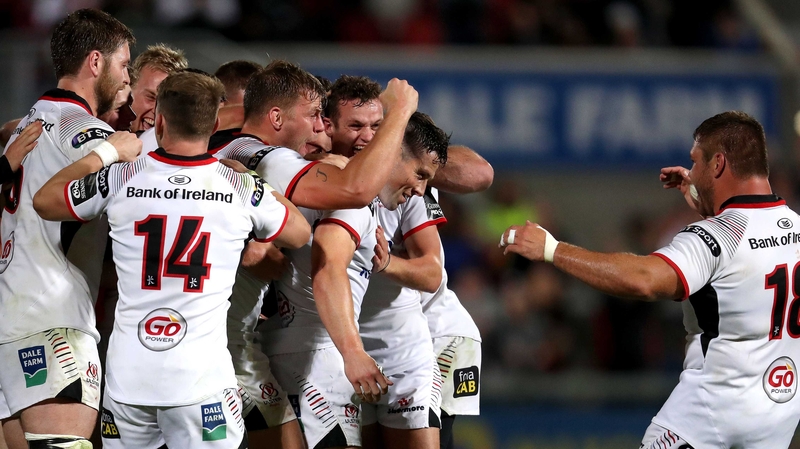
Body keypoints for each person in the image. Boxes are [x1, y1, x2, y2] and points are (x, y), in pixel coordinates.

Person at [33, 71, 311, 448]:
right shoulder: (237, 186)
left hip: (129, 379)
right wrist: (251, 177)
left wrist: (104, 154)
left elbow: (45, 200)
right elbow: (299, 232)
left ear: (160, 120)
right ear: (214, 125)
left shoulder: (120, 178)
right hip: (201, 381)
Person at [500, 111, 800, 449]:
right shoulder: (795, 227)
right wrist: (710, 204)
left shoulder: (715, 237)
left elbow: (643, 279)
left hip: (711, 414)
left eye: (696, 162)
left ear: (718, 164)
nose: (692, 173)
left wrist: (552, 249)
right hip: (778, 415)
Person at [210, 60, 418, 449]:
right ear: (275, 116)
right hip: (243, 346)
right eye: (312, 116)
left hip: (211, 335)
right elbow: (353, 191)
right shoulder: (270, 159)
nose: (318, 126)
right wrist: (401, 110)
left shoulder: (217, 144)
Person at [262, 110, 446, 449]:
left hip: (307, 349)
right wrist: (353, 352)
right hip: (320, 355)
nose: (421, 190)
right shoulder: (353, 199)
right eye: (419, 175)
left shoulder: (348, 188)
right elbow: (328, 267)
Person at [0, 9, 137, 449]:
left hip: (9, 321)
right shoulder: (93, 136)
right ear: (96, 63)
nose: (126, 78)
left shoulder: (20, 128)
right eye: (124, 65)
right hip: (55, 325)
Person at [358, 112, 450, 449]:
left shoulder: (414, 200)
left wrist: (386, 264)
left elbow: (431, 273)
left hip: (404, 359)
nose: (421, 188)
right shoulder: (336, 180)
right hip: (344, 356)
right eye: (420, 174)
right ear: (394, 150)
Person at [129, 43, 188, 135]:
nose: (157, 110)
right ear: (130, 89)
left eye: (167, 104)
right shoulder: (101, 139)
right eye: (151, 97)